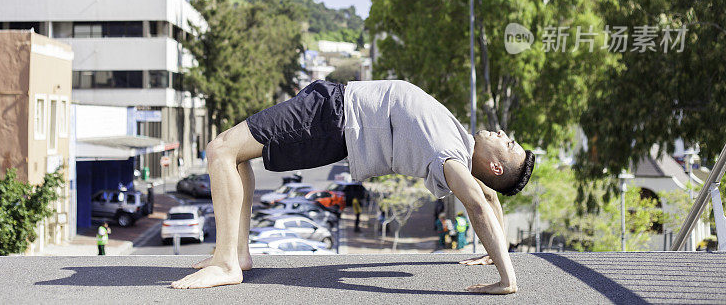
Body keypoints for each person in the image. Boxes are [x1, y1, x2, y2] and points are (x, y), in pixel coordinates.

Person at [171, 79, 535, 294]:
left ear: (496, 165)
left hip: (333, 118)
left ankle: (225, 264)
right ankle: (238, 255)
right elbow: (488, 195)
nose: (503, 135)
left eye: (508, 143)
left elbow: (477, 204)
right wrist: (496, 247)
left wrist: (506, 278)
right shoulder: (461, 142)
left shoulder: (449, 156)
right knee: (234, 155)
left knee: (222, 149)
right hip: (333, 106)